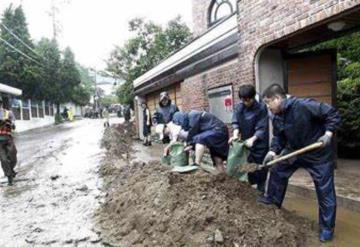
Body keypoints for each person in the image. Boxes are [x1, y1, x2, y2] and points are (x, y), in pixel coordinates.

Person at [258, 84, 341, 242]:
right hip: (294, 150)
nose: (267, 106)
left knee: (325, 191)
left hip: (318, 154)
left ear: (277, 99)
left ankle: (327, 229)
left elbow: (332, 113)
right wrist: (272, 151)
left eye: (268, 102)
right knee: (277, 169)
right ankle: (272, 202)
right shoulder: (276, 115)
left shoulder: (304, 105)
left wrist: (328, 134)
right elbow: (279, 137)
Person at [230, 84, 269, 192]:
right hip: (246, 143)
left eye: (248, 100)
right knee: (247, 167)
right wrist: (235, 135)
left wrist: (253, 139)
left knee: (260, 169)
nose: (246, 103)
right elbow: (236, 123)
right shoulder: (239, 107)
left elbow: (262, 127)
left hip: (259, 143)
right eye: (244, 100)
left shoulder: (261, 107)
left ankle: (261, 192)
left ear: (253, 97)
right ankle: (249, 193)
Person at [0, 97, 17, 186]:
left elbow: (14, 124)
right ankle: (9, 176)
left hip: (8, 138)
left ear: (1, 104)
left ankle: (11, 170)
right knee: (3, 159)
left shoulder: (8, 113)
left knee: (13, 156)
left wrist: (10, 123)